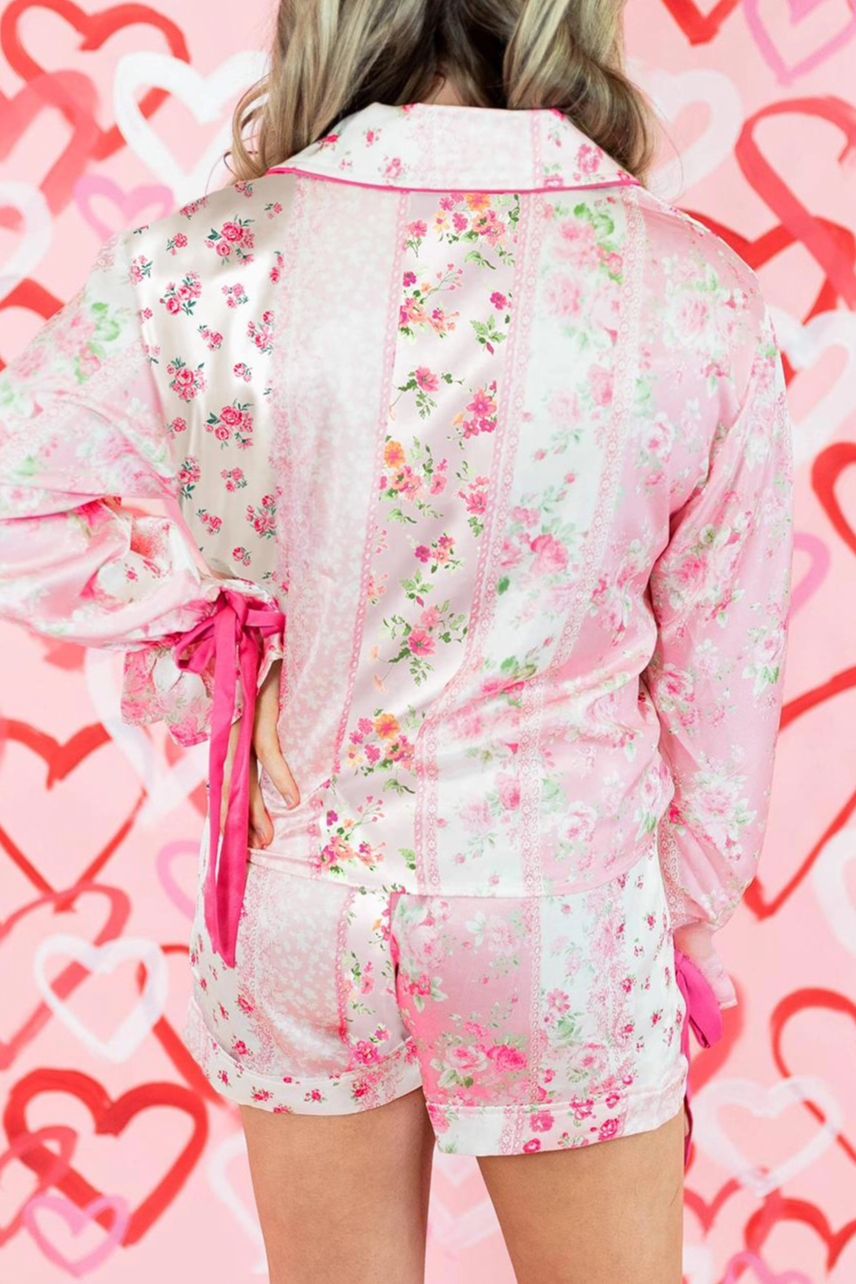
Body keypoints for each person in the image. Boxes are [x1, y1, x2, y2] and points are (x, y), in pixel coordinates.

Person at [0, 1, 794, 1281]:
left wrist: (210, 653)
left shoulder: (200, 263)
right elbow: (724, 678)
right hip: (561, 909)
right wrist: (682, 933)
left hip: (301, 891)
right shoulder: (692, 287)